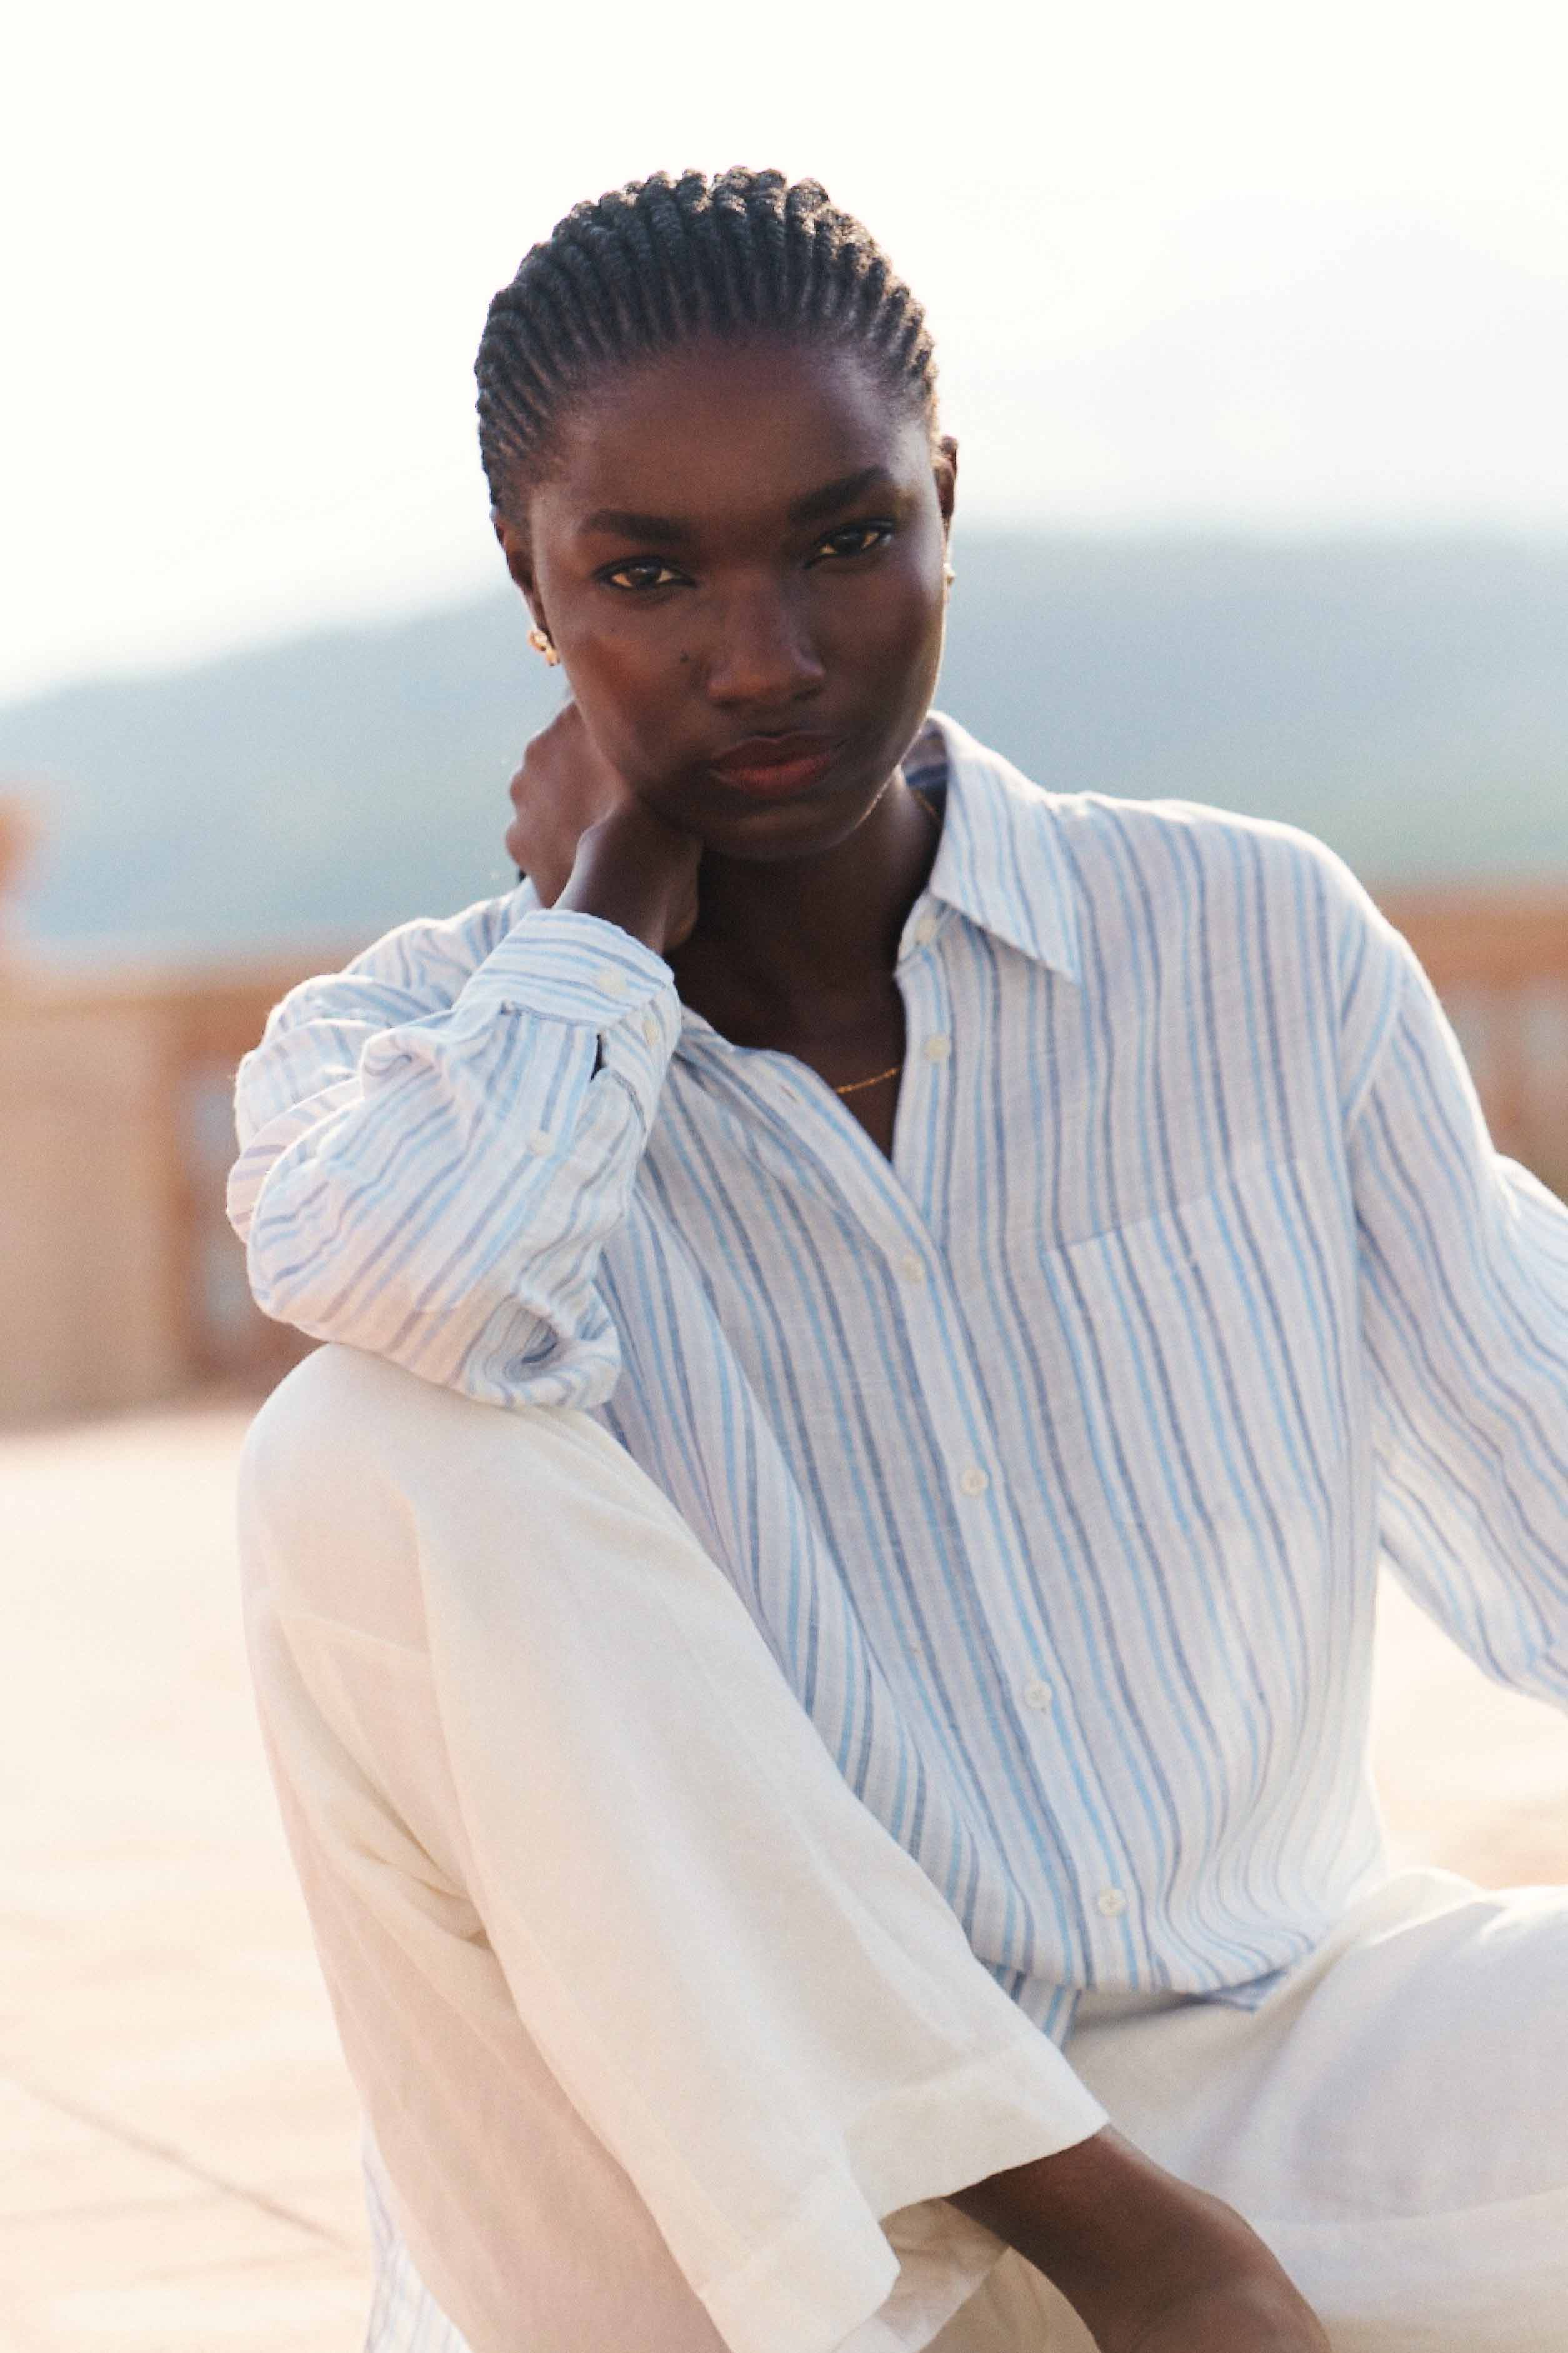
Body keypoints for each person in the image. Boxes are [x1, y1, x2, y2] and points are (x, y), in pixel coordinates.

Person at [229, 168, 1568, 2353]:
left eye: (846, 537)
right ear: (529, 582)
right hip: (734, 2215)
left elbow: (1551, 1464)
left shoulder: (1249, 950)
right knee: (361, 1440)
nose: (764, 657)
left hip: (1269, 2073)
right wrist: (596, 931)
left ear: (945, 500)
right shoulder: (394, 1065)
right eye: (646, 573)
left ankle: (1142, 2241)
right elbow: (443, 1291)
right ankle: (1110, 2255)